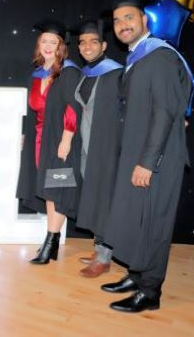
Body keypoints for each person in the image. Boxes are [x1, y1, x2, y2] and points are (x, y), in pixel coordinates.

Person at [100, 0, 192, 312]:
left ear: (143, 19)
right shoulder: (138, 58)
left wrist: (148, 162)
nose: (122, 24)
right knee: (135, 219)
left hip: (157, 158)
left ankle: (150, 292)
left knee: (153, 223)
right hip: (139, 155)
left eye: (129, 17)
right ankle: (136, 276)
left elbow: (165, 113)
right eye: (117, 20)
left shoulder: (160, 57)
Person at [15, 19, 81, 265]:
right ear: (38, 44)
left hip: (60, 140)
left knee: (58, 190)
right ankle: (50, 241)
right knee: (50, 192)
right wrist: (26, 134)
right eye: (44, 41)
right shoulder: (36, 74)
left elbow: (74, 108)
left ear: (61, 46)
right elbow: (33, 109)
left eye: (54, 42)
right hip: (40, 140)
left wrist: (66, 139)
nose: (48, 46)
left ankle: (50, 242)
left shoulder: (69, 71)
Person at [71, 19, 123, 278]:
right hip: (87, 148)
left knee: (104, 200)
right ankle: (100, 248)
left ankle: (104, 258)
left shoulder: (115, 74)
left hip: (106, 149)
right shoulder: (85, 74)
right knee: (93, 198)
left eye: (94, 42)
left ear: (103, 45)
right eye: (83, 42)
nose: (88, 46)